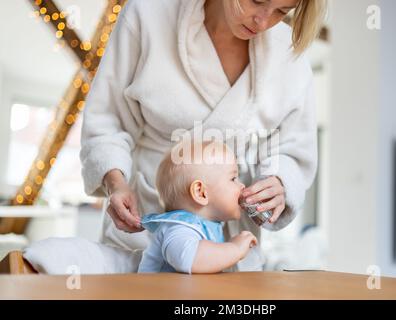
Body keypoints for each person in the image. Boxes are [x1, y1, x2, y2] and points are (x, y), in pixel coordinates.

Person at [80, 0, 326, 271]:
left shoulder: (289, 55)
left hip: (233, 240)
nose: (263, 21)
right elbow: (107, 119)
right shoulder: (148, 15)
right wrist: (116, 184)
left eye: (282, 11)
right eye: (256, 1)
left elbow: (293, 150)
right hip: (144, 223)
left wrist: (279, 183)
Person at [138, 139, 258, 273]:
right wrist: (235, 249)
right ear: (200, 193)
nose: (242, 186)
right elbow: (189, 258)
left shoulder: (206, 225)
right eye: (233, 179)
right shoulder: (181, 227)